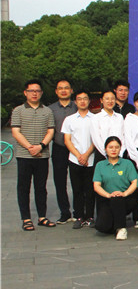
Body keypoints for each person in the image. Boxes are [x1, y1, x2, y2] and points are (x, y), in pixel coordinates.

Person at [11, 79, 56, 231]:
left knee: (41, 187)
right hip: (24, 155)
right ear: (25, 93)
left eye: (37, 91)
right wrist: (30, 147)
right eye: (31, 91)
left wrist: (40, 146)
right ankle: (26, 218)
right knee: (23, 187)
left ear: (41, 93)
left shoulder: (47, 111)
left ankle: (42, 217)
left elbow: (50, 131)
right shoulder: (18, 110)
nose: (34, 93)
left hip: (42, 155)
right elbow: (16, 132)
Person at [93, 136, 138, 240]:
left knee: (117, 199)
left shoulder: (127, 163)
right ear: (105, 149)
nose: (114, 150)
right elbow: (96, 186)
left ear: (120, 149)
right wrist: (108, 195)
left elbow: (135, 182)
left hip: (126, 199)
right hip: (108, 199)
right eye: (110, 147)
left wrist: (124, 193)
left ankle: (121, 228)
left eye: (116, 147)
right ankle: (115, 221)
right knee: (101, 226)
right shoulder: (100, 165)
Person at [62, 90, 96, 229]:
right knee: (77, 190)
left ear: (89, 101)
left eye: (85, 98)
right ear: (75, 102)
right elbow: (67, 140)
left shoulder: (95, 119)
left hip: (91, 159)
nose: (82, 101)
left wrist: (86, 155)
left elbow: (96, 139)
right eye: (79, 99)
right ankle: (79, 216)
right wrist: (78, 156)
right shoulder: (69, 119)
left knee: (90, 190)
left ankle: (90, 216)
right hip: (74, 159)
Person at [48, 79, 77, 224]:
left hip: (76, 149)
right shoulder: (50, 109)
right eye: (60, 88)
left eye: (66, 88)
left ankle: (79, 212)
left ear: (71, 90)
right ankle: (64, 212)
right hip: (59, 148)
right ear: (56, 91)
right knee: (60, 181)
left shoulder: (77, 106)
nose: (64, 90)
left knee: (78, 181)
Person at [90, 89, 125, 162]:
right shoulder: (96, 118)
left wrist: (120, 153)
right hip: (102, 156)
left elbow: (123, 136)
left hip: (119, 155)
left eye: (112, 99)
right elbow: (96, 139)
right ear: (101, 100)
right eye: (107, 99)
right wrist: (107, 153)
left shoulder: (119, 117)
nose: (110, 101)